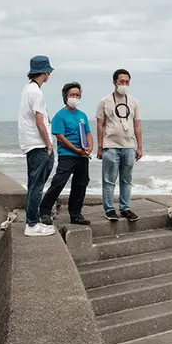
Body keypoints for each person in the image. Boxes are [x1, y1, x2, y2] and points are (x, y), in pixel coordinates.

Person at [39, 82, 93, 226]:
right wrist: (75, 149)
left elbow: (88, 133)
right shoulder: (60, 116)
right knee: (58, 183)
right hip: (68, 155)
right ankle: (44, 211)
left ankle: (76, 215)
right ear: (65, 97)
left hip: (82, 155)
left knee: (81, 184)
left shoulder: (82, 115)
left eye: (77, 95)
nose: (75, 97)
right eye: (72, 95)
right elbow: (60, 137)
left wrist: (90, 147)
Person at [96, 68, 142, 222]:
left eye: (127, 82)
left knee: (126, 180)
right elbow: (100, 125)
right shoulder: (105, 101)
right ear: (114, 82)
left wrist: (139, 146)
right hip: (111, 146)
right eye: (121, 81)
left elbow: (137, 125)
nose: (124, 84)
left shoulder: (134, 102)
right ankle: (109, 209)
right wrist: (100, 146)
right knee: (109, 180)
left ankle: (125, 208)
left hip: (129, 147)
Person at [18, 55, 55, 236]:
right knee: (37, 185)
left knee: (34, 184)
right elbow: (40, 123)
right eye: (49, 72)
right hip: (38, 144)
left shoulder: (28, 89)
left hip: (31, 143)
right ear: (45, 72)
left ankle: (33, 221)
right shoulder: (36, 93)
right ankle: (32, 224)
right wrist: (48, 144)